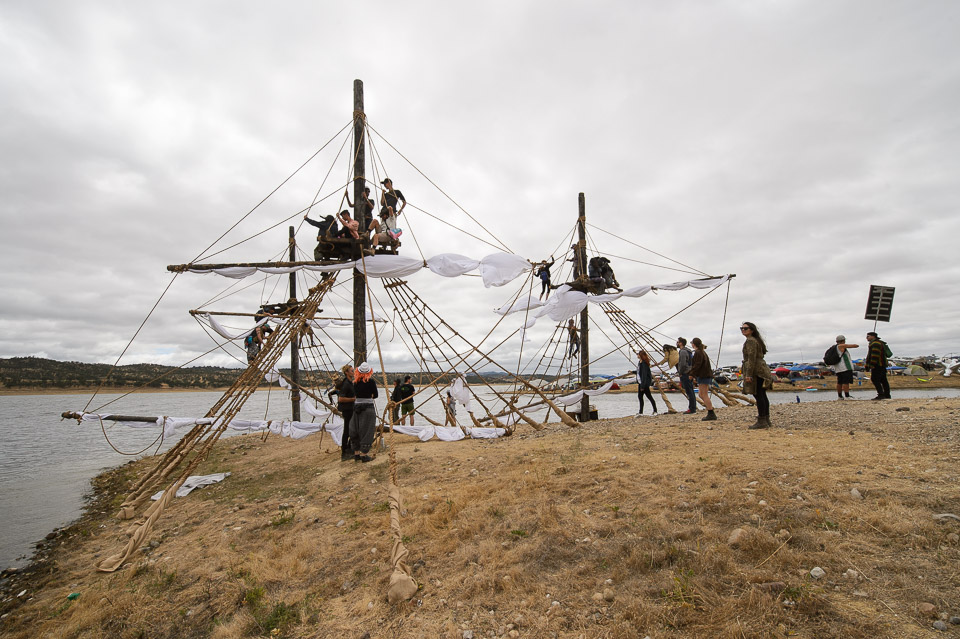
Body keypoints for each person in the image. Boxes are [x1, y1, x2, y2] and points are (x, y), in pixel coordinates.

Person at [740, 322, 774, 429]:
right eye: (742, 328)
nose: (743, 330)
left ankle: (762, 420)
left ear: (752, 330)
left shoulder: (751, 341)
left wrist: (748, 374)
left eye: (745, 328)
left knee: (758, 395)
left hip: (757, 371)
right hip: (761, 369)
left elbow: (751, 358)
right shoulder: (756, 340)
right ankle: (766, 419)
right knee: (762, 394)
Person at [350, 362, 379, 462]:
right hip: (368, 407)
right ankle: (364, 454)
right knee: (367, 429)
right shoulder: (371, 382)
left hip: (357, 407)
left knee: (356, 428)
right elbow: (375, 395)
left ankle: (356, 453)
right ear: (369, 372)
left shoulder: (355, 382)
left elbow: (355, 394)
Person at [689, 337, 717, 421]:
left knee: (704, 394)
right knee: (701, 394)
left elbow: (697, 364)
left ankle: (711, 412)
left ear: (693, 344)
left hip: (703, 375)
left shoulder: (698, 352)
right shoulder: (701, 352)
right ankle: (710, 410)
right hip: (704, 375)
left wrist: (691, 374)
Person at [335, 364, 356, 461]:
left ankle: (349, 448)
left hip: (351, 409)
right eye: (352, 371)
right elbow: (341, 399)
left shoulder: (350, 382)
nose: (353, 372)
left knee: (352, 429)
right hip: (347, 410)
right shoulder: (346, 384)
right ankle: (344, 452)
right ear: (347, 372)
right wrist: (353, 399)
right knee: (347, 430)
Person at [830, 335, 859, 400]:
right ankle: (847, 396)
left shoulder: (834, 348)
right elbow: (855, 345)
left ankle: (840, 396)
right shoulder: (841, 346)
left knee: (839, 382)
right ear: (843, 341)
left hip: (838, 368)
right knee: (846, 382)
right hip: (845, 367)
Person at [865, 331, 891, 400]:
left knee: (875, 379)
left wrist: (871, 364)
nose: (866, 338)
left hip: (878, 365)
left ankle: (881, 394)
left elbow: (875, 355)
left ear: (873, 336)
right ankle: (887, 395)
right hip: (882, 364)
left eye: (868, 336)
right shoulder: (878, 343)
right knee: (883, 380)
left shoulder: (875, 343)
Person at [676, 338, 697, 414]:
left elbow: (683, 364)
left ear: (681, 343)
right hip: (689, 372)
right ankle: (693, 407)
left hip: (685, 373)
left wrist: (680, 372)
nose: (677, 343)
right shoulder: (688, 351)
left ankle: (692, 408)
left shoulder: (682, 352)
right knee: (691, 391)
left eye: (678, 342)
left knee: (689, 391)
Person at [635, 351, 657, 416]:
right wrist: (633, 372)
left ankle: (655, 411)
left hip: (644, 383)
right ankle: (640, 412)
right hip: (640, 382)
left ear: (641, 355)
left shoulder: (644, 364)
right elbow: (639, 371)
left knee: (649, 397)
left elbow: (644, 375)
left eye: (638, 354)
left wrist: (642, 386)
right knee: (640, 397)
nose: (637, 355)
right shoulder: (640, 363)